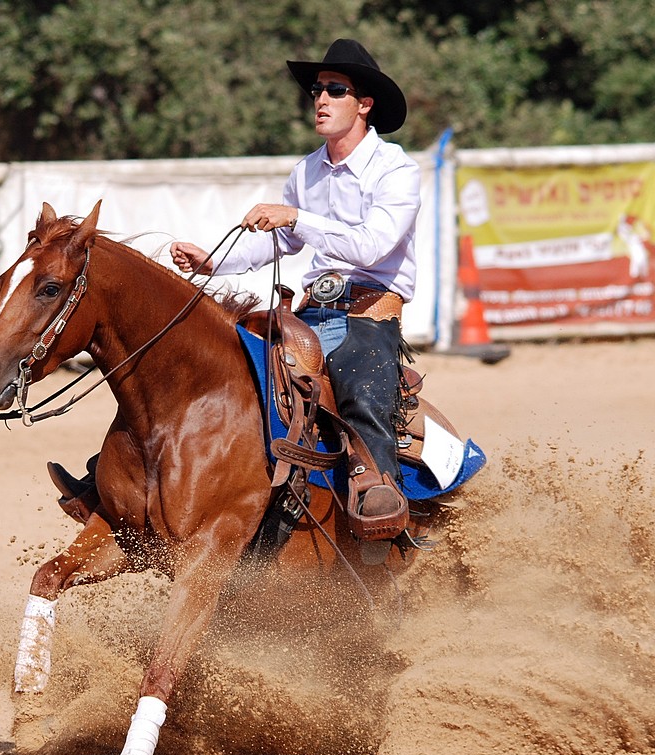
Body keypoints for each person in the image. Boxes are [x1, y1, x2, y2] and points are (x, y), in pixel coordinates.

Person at [52, 38, 420, 533]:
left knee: (358, 384)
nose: (322, 99)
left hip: (367, 314)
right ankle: (119, 483)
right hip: (312, 313)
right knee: (220, 366)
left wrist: (296, 216)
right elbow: (281, 243)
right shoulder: (307, 171)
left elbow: (372, 245)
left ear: (364, 104)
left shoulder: (396, 169)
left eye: (336, 90)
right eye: (318, 89)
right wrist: (213, 262)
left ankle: (376, 490)